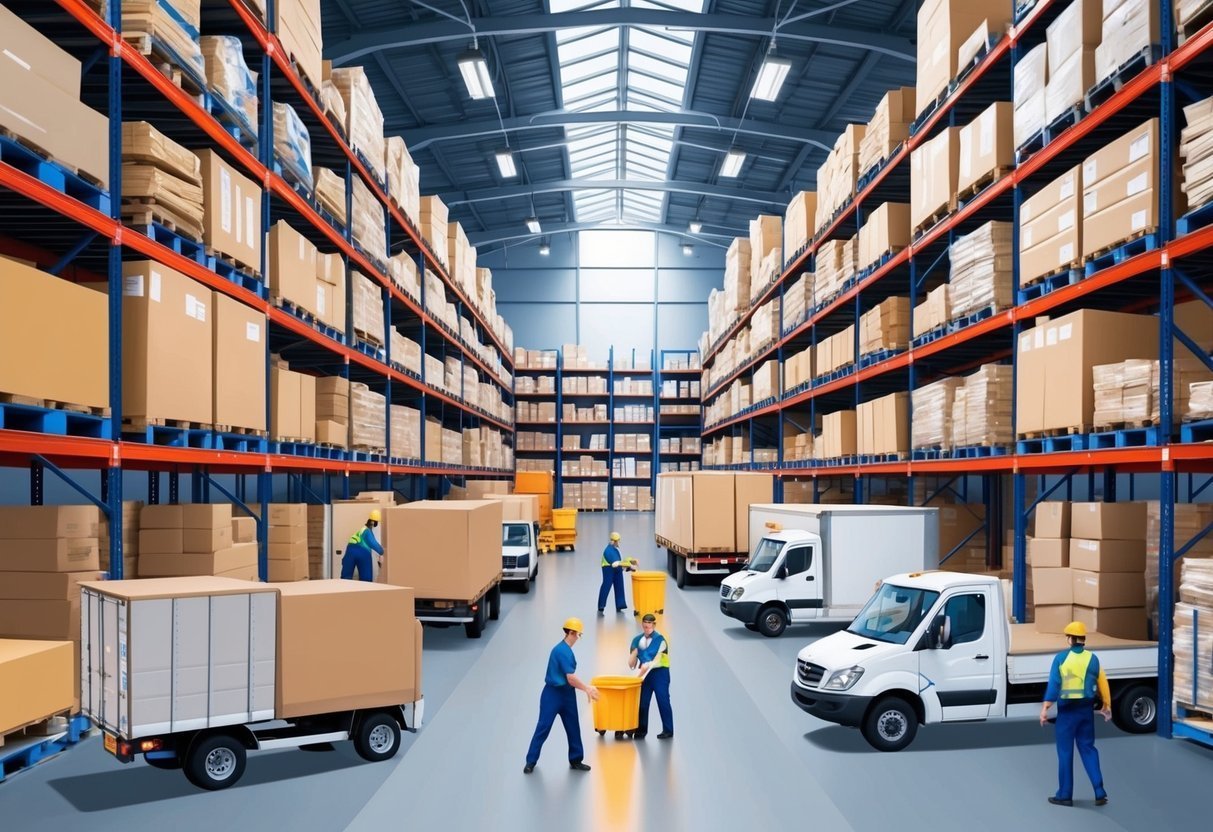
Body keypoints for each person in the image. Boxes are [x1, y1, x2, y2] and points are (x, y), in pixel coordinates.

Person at [1040, 621, 1111, 807]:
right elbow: (1103, 681)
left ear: (1070, 639)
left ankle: (1064, 795)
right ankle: (1099, 791)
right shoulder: (1093, 659)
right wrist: (1107, 705)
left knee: (1065, 753)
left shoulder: (1061, 659)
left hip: (1067, 713)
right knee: (1088, 749)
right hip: (1086, 711)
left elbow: (1054, 685)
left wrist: (1045, 709)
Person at [524, 618, 599, 774]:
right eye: (578, 634)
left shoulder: (566, 650)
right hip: (553, 694)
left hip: (567, 694)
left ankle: (576, 759)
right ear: (571, 633)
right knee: (543, 726)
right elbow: (570, 678)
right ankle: (531, 761)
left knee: (573, 726)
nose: (579, 638)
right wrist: (587, 688)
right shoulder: (561, 651)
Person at [627, 613, 673, 740]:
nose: (647, 629)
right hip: (646, 675)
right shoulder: (637, 640)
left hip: (660, 673)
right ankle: (641, 731)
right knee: (642, 702)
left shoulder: (660, 640)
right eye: (645, 626)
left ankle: (668, 730)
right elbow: (632, 664)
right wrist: (634, 653)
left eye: (649, 626)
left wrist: (638, 676)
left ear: (654, 625)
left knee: (663, 700)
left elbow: (650, 661)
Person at [340, 509, 384, 582]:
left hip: (350, 551)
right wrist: (383, 551)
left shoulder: (362, 530)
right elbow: (375, 545)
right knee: (366, 578)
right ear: (373, 523)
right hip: (363, 552)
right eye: (378, 523)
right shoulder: (367, 532)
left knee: (346, 577)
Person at [598, 531, 631, 614]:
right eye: (618, 541)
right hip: (608, 569)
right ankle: (601, 605)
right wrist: (625, 565)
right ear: (615, 541)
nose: (618, 543)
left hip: (617, 570)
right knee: (606, 586)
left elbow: (619, 562)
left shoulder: (615, 550)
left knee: (619, 586)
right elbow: (614, 563)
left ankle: (620, 604)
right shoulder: (608, 550)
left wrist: (627, 566)